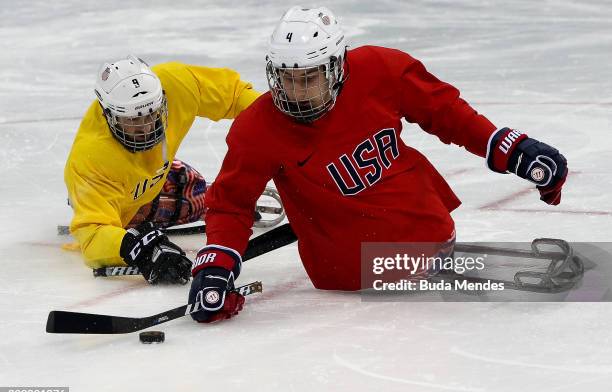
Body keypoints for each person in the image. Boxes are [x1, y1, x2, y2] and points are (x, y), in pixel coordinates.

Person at [186, 6, 568, 322]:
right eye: (286, 80)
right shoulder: (258, 128)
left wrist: (509, 148)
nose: (296, 93)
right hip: (350, 281)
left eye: (309, 78)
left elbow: (446, 112)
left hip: (430, 238)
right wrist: (214, 267)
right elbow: (232, 203)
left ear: (338, 65)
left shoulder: (379, 69)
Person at [64, 55, 261, 284]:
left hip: (156, 173)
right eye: (133, 121)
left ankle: (204, 198)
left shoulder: (176, 83)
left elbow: (236, 96)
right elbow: (92, 234)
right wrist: (135, 247)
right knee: (178, 203)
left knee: (191, 189)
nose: (146, 128)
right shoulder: (90, 159)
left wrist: (285, 125)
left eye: (152, 115)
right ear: (109, 115)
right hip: (118, 198)